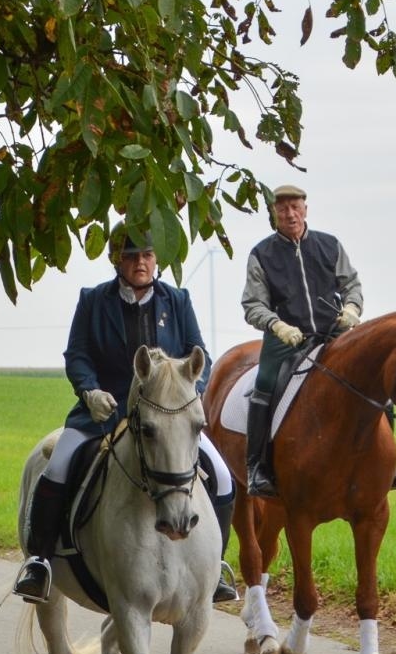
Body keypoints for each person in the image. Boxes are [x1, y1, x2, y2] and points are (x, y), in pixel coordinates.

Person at [14, 228, 238, 605]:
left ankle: (215, 567)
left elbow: (198, 355)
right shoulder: (93, 301)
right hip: (106, 411)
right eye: (132, 256)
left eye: (147, 255)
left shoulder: (178, 300)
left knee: (222, 476)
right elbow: (78, 355)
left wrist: (190, 395)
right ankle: (40, 562)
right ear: (117, 260)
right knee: (57, 467)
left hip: (166, 417)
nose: (141, 263)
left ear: (157, 259)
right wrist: (89, 391)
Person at [239, 184, 380, 498]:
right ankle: (257, 466)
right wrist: (276, 325)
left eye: (295, 207)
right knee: (263, 384)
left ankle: (387, 461)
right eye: (283, 208)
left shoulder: (330, 246)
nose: (290, 214)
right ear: (274, 214)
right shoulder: (262, 254)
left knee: (374, 378)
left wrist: (352, 309)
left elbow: (351, 284)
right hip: (286, 338)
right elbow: (253, 305)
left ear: (306, 209)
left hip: (333, 333)